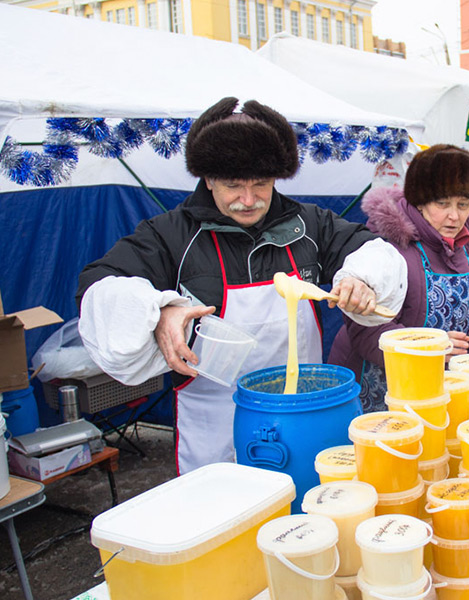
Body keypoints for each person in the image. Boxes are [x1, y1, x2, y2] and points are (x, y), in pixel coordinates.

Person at [77, 97, 407, 474]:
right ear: (208, 180)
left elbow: (372, 250)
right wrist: (159, 312)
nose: (248, 200)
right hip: (214, 426)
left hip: (303, 414)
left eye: (261, 184)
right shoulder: (170, 235)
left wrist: (362, 278)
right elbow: (99, 287)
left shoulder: (310, 226)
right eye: (233, 186)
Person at [328, 144, 469, 412]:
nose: (454, 216)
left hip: (436, 385)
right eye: (442, 203)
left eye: (463, 205)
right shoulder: (390, 248)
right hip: (377, 387)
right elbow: (365, 328)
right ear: (420, 201)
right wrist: (430, 349)